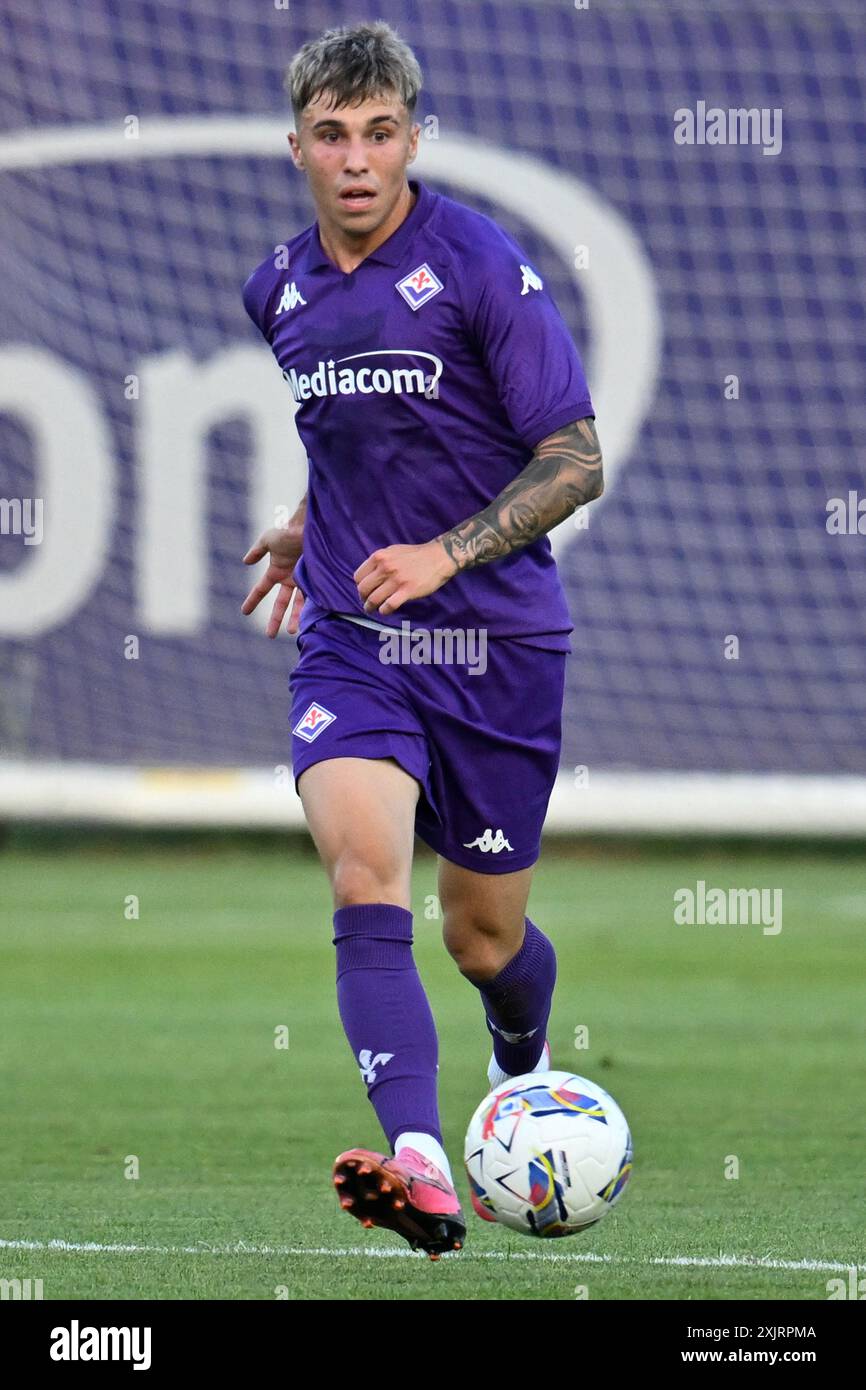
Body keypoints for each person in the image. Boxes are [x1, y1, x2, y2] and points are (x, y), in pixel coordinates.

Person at [241, 21, 603, 1260]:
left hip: (495, 647)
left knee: (482, 936)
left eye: (378, 133)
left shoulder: (476, 266)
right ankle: (419, 1162)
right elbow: (351, 433)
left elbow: (574, 458)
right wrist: (306, 527)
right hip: (353, 637)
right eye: (331, 135)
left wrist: (445, 553)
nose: (355, 158)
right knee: (363, 880)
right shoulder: (277, 286)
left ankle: (525, 1064)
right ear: (297, 147)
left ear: (412, 140)